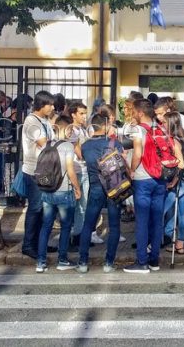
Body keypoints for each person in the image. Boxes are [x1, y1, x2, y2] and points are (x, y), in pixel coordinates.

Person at [124, 99, 179, 273]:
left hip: (143, 178)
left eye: (134, 111)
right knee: (157, 220)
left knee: (142, 221)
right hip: (160, 178)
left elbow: (138, 153)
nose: (132, 114)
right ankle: (154, 260)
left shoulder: (138, 130)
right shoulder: (161, 128)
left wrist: (131, 170)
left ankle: (141, 262)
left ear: (140, 113)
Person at [76, 111, 127, 273]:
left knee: (88, 224)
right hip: (114, 187)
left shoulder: (85, 145)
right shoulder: (115, 144)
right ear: (105, 126)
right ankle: (109, 263)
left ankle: (83, 262)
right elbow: (123, 161)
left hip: (95, 187)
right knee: (114, 225)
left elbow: (82, 158)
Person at [36, 115, 81, 272]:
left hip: (47, 190)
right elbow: (70, 170)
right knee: (66, 226)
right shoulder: (67, 147)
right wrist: (77, 188)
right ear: (66, 128)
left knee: (46, 226)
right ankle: (62, 260)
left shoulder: (46, 145)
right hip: (63, 191)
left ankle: (40, 262)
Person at [21, 90, 56, 259]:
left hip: (45, 170)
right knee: (35, 208)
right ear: (42, 105)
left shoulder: (45, 120)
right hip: (34, 171)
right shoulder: (31, 122)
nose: (52, 107)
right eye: (50, 104)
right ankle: (28, 245)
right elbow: (45, 143)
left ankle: (40, 242)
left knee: (44, 209)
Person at [162, 112, 184, 252]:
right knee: (181, 212)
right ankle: (180, 242)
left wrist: (173, 182)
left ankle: (163, 237)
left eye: (164, 123)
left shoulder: (174, 141)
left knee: (162, 210)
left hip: (177, 181)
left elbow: (180, 164)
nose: (162, 125)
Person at [66, 102, 94, 248]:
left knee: (83, 205)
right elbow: (79, 152)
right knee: (76, 205)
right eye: (81, 113)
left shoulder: (83, 130)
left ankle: (79, 235)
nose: (84, 116)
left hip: (84, 170)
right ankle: (74, 236)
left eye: (85, 113)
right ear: (73, 114)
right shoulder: (72, 131)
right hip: (76, 171)